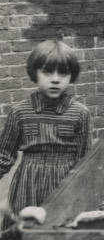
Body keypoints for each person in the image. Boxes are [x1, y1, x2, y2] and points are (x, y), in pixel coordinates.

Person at [0, 40, 92, 228]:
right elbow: (4, 155)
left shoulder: (80, 114)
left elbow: (85, 161)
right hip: (28, 184)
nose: (56, 79)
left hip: (63, 184)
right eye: (48, 72)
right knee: (22, 237)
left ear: (71, 76)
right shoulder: (19, 112)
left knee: (59, 235)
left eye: (63, 73)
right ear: (35, 73)